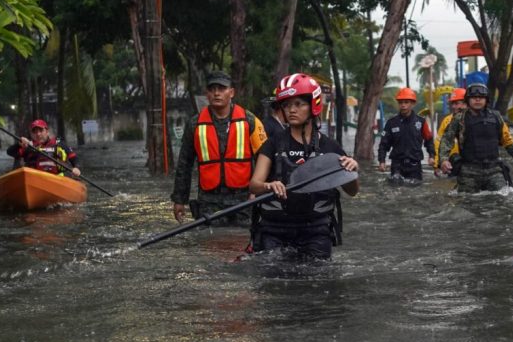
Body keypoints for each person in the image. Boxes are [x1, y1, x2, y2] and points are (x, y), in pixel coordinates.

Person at [249, 73, 359, 259]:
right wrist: (269, 185)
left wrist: (352, 170)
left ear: (312, 105)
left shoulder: (330, 147)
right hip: (275, 230)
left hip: (315, 232)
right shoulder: (272, 144)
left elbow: (352, 191)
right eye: (287, 105)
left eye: (298, 104)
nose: (292, 110)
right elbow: (254, 185)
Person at [171, 71, 267, 225]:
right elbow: (184, 165)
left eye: (222, 88)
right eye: (212, 89)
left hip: (244, 201)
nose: (217, 93)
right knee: (211, 245)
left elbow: (265, 159)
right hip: (209, 202)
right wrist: (179, 200)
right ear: (206, 94)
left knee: (241, 243)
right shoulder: (194, 124)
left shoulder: (250, 121)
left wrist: (258, 191)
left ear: (231, 92)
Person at [439, 83, 513, 192]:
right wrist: (443, 160)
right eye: (474, 97)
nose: (477, 100)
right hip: (468, 172)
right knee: (466, 202)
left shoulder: (496, 117)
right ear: (468, 100)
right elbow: (446, 140)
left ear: (486, 100)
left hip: (494, 170)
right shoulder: (459, 119)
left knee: (502, 199)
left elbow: (508, 142)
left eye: (481, 97)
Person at [378, 87, 435, 183]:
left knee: (414, 191)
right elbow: (383, 144)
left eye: (406, 102)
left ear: (413, 104)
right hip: (397, 166)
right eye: (400, 102)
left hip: (415, 166)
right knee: (396, 189)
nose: (403, 105)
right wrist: (382, 161)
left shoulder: (421, 122)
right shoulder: (391, 123)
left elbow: (429, 140)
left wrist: (432, 156)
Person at [6, 119, 81, 177]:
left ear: (47, 131)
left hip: (56, 178)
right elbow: (10, 152)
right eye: (35, 132)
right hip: (33, 178)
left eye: (41, 130)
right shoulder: (28, 146)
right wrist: (19, 144)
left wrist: (76, 168)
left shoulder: (58, 144)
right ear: (32, 134)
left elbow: (73, 156)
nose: (38, 134)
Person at [433, 88, 467, 175]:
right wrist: (437, 165)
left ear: (465, 103)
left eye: (456, 103)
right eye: (452, 104)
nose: (453, 107)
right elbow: (439, 142)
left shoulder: (476, 119)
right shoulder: (447, 121)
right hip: (452, 164)